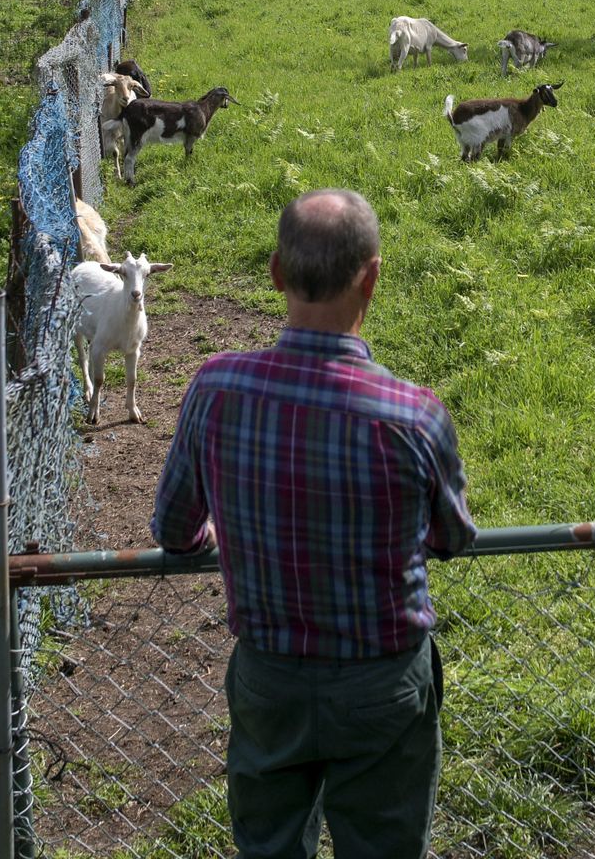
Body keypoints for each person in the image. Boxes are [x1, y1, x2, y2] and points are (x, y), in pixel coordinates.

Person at [152, 189, 478, 859]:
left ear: (274, 272)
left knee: (269, 845)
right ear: (373, 277)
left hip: (270, 674)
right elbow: (454, 537)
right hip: (382, 680)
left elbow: (174, 529)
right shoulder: (415, 416)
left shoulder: (215, 389)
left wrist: (208, 536)